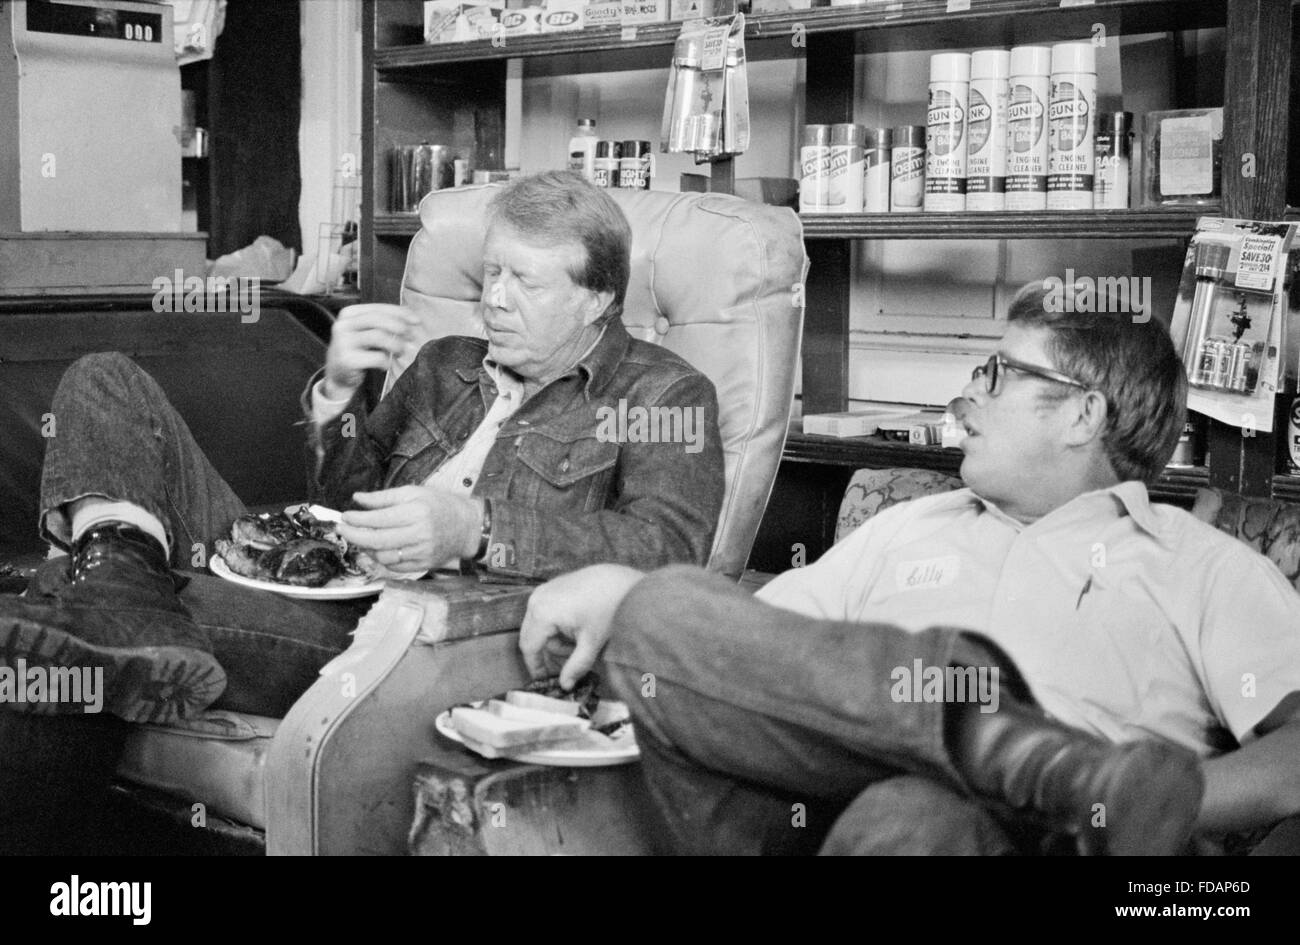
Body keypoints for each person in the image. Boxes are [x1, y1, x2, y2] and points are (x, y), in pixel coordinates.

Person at [519, 280, 1300, 855]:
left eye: (997, 374)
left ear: (1082, 414)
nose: (963, 398)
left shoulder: (1200, 566)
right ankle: (1051, 763)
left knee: (916, 814)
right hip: (806, 812)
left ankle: (1066, 779)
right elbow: (762, 654)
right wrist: (631, 597)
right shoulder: (906, 525)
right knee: (659, 610)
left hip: (1043, 843)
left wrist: (1166, 799)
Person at [0, 170, 724, 728]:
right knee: (104, 380)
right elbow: (343, 507)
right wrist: (340, 389)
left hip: (422, 641)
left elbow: (669, 551)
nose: (494, 300)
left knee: (73, 605)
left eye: (524, 283)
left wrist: (476, 527)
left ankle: (107, 590)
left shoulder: (661, 397)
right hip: (325, 578)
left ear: (596, 299)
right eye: (492, 273)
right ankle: (114, 582)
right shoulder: (447, 363)